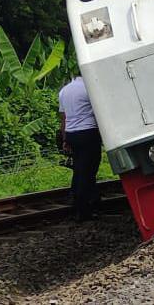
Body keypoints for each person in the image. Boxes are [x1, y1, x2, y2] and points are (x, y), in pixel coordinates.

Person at [59, 76, 102, 221]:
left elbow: (63, 118)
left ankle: (80, 200)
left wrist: (65, 139)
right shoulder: (88, 88)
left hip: (72, 135)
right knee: (89, 171)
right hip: (88, 133)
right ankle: (83, 209)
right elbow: (99, 112)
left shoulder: (64, 91)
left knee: (79, 169)